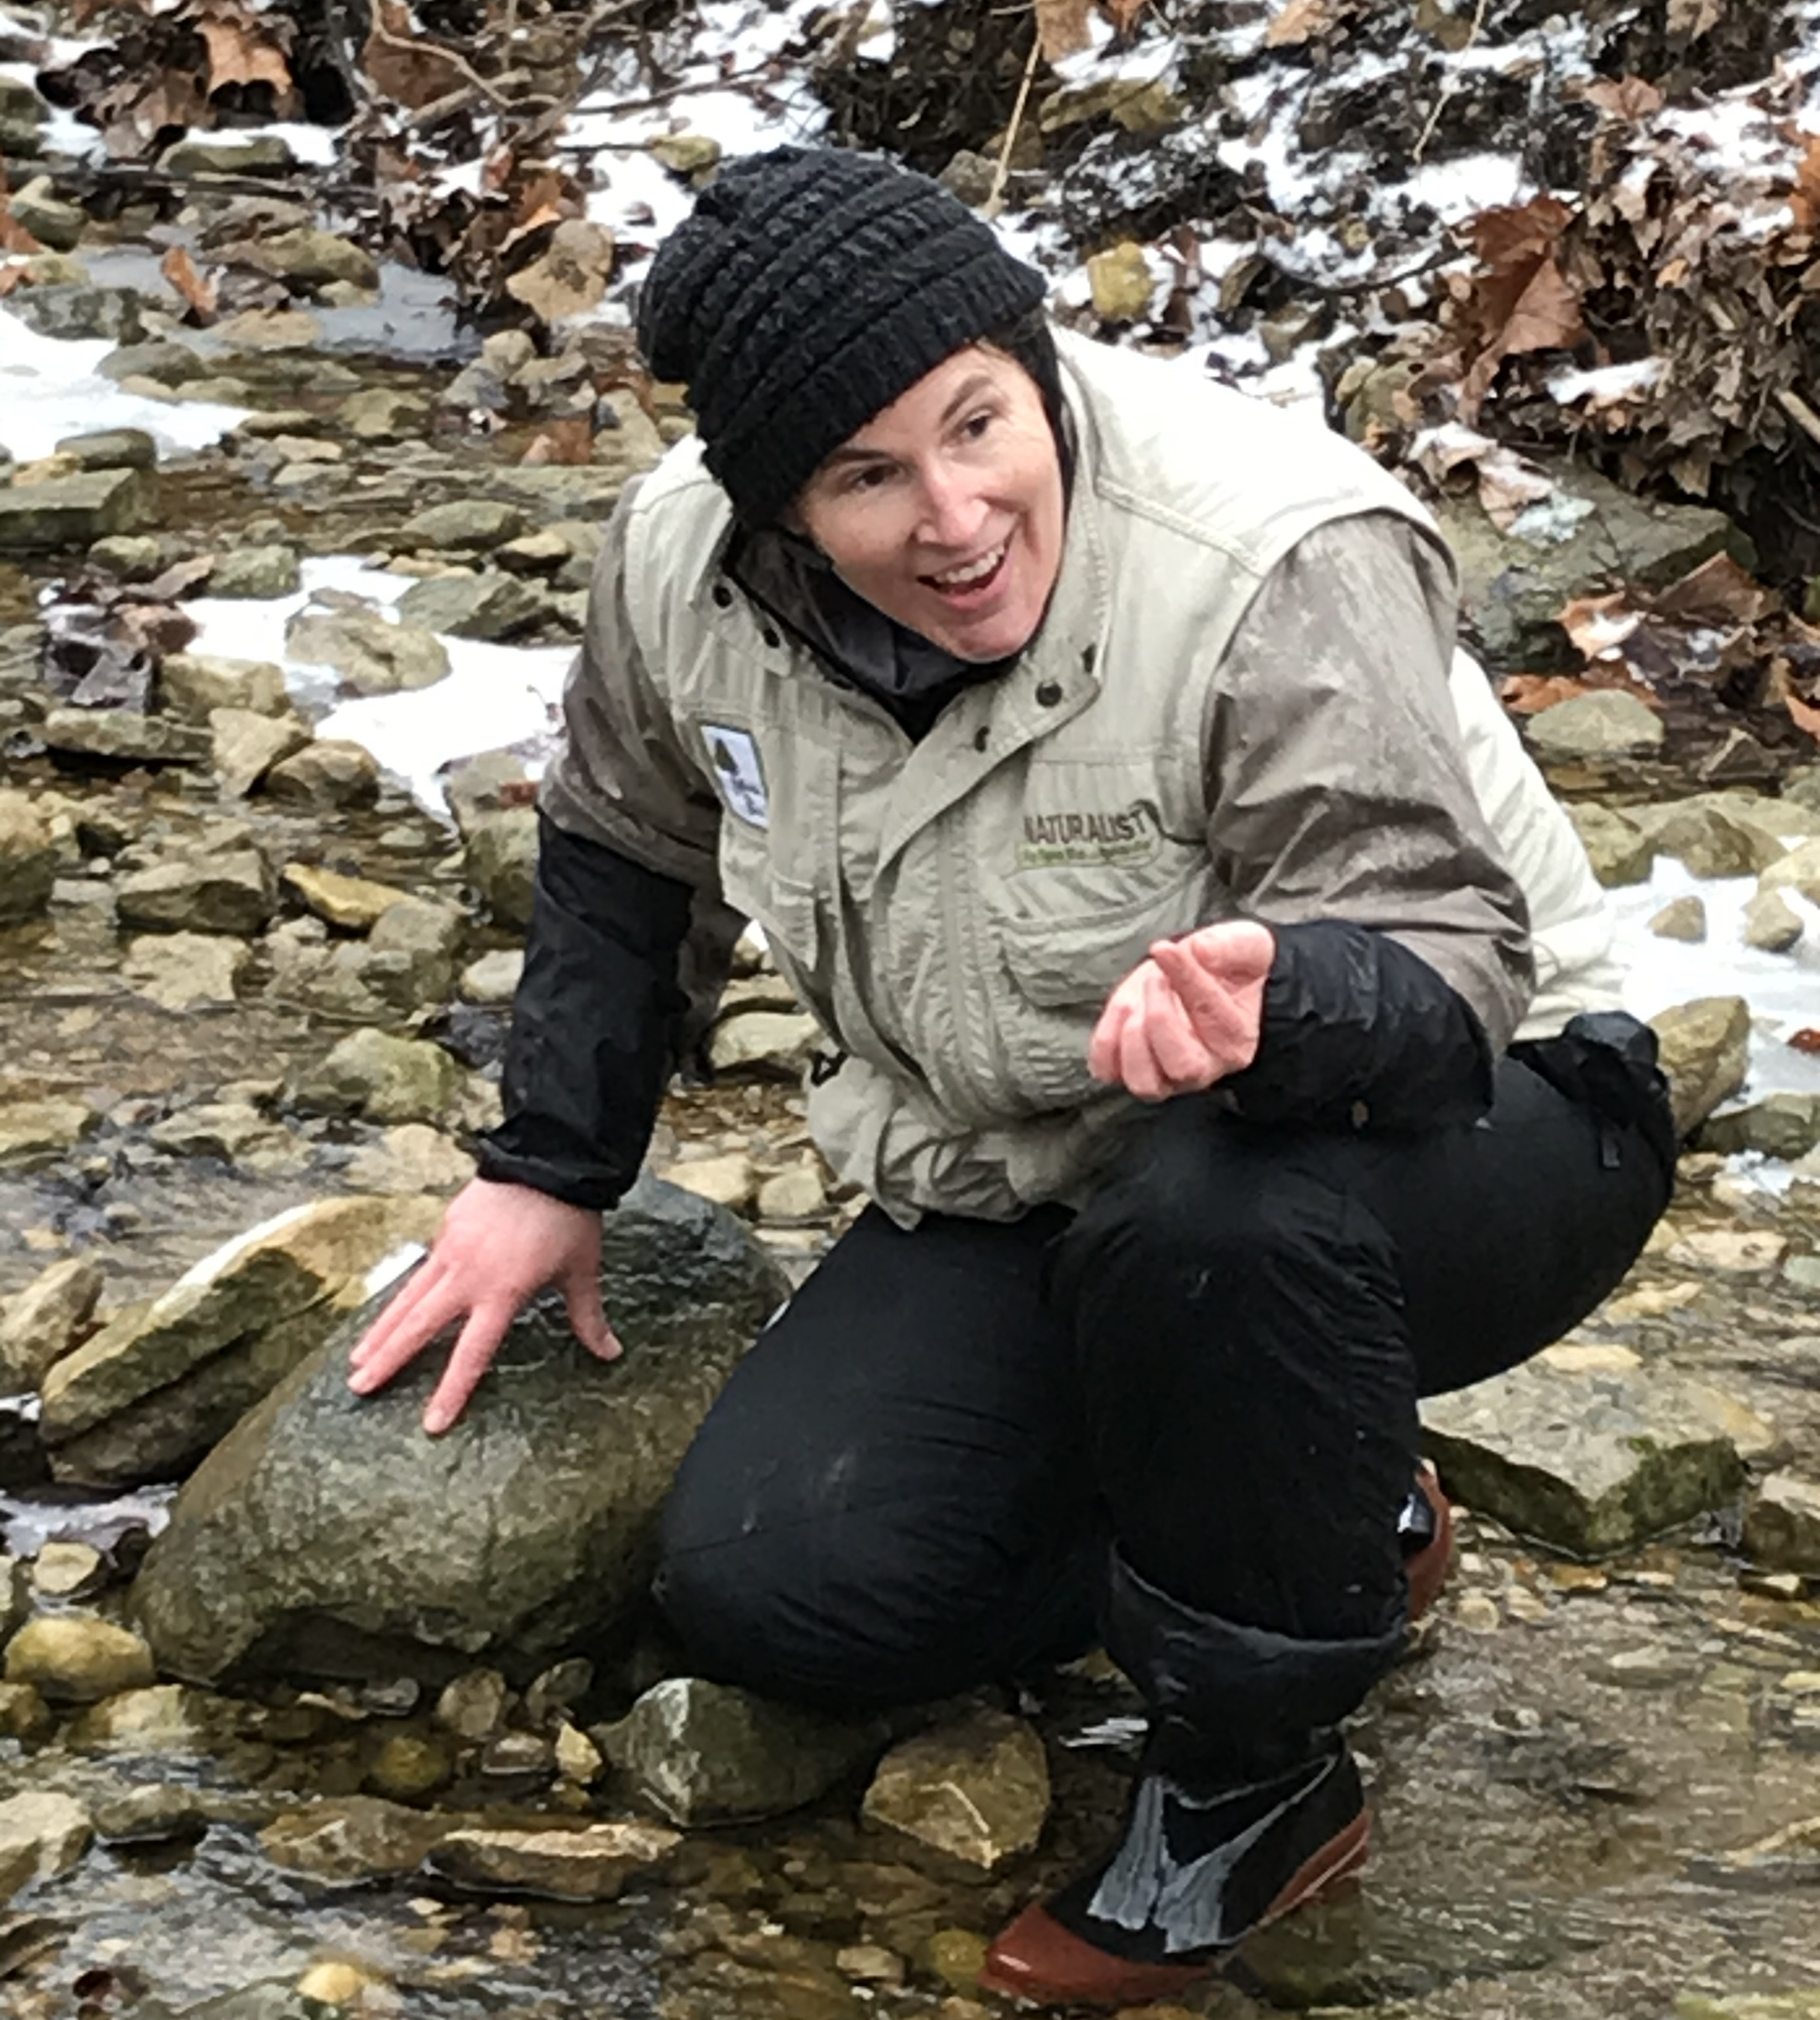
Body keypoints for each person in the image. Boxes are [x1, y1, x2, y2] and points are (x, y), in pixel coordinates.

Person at [347, 146, 1676, 2008]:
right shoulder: (680, 568)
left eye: (982, 423)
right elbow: (624, 853)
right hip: (1029, 1163)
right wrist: (547, 1168)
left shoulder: (1269, 549)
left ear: (1037, 366)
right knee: (785, 1589)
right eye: (867, 476)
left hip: (1467, 1111)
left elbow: (1445, 969)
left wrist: (1287, 997)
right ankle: (1330, 1498)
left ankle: (1253, 1792)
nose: (956, 515)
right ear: (772, 504)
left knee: (1227, 1206)